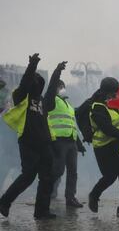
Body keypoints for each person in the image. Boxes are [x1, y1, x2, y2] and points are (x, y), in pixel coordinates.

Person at [0, 53, 66, 219]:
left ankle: (41, 211)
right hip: (28, 142)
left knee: (47, 177)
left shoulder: (44, 101)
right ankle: (4, 201)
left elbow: (51, 90)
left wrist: (58, 71)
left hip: (44, 144)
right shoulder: (21, 97)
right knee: (28, 176)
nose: (37, 83)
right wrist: (33, 64)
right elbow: (25, 82)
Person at [88, 77, 119, 214]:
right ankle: (94, 195)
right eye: (113, 93)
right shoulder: (97, 108)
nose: (115, 95)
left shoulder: (115, 104)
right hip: (103, 147)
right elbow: (107, 129)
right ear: (106, 92)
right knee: (110, 176)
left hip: (117, 144)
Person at [48, 80, 86, 207]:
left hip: (71, 142)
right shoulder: (52, 100)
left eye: (63, 86)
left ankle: (70, 198)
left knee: (73, 172)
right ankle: (46, 191)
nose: (62, 88)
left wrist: (79, 145)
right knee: (58, 170)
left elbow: (72, 126)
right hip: (58, 141)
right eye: (60, 87)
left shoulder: (69, 106)